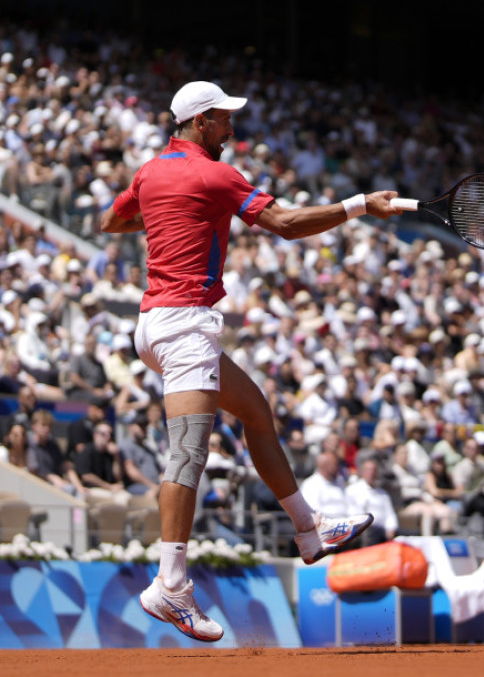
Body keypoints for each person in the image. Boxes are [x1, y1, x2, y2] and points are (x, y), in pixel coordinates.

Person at [99, 80, 396, 641]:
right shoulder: (216, 174)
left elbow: (113, 223)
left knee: (257, 413)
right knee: (187, 453)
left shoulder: (149, 170)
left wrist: (168, 217)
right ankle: (170, 585)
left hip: (157, 327)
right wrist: (357, 206)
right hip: (183, 324)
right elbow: (284, 224)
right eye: (224, 119)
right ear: (201, 122)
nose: (232, 129)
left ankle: (309, 531)